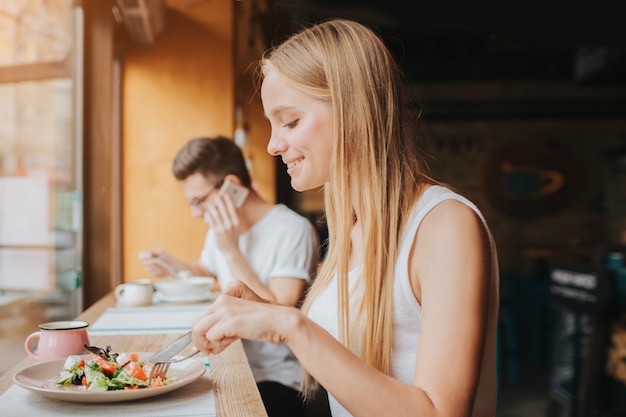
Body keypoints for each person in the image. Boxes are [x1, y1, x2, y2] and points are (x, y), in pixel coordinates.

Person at [190, 19, 500, 417]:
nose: (273, 144)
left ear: (353, 111)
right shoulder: (352, 228)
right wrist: (270, 317)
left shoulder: (445, 225)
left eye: (290, 121)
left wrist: (291, 325)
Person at [139, 136, 321, 417]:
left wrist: (231, 249)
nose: (196, 213)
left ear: (232, 187)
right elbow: (207, 268)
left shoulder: (292, 230)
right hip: (230, 363)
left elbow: (280, 310)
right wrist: (174, 266)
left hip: (277, 379)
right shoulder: (220, 231)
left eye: (199, 200)